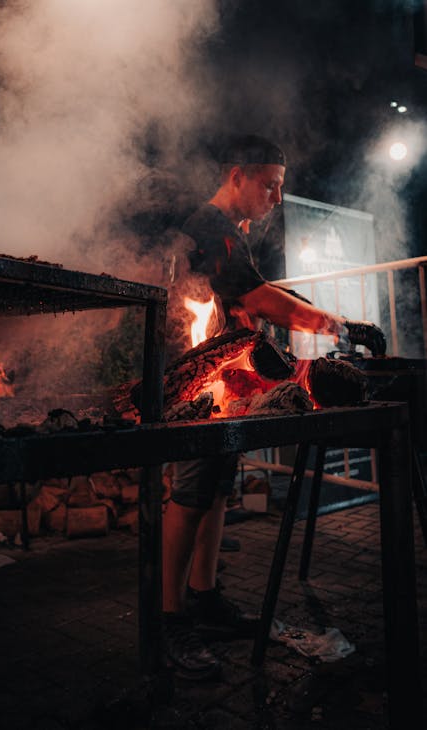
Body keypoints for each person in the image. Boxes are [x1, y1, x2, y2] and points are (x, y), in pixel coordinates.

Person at [161, 134, 386, 681]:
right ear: (236, 176)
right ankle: (167, 622)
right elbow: (259, 299)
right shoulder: (211, 227)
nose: (276, 199)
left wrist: (311, 316)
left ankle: (205, 597)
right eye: (270, 185)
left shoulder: (233, 234)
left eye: (281, 188)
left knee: (215, 488)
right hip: (194, 382)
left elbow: (254, 292)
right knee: (191, 492)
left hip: (222, 380)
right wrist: (337, 324)